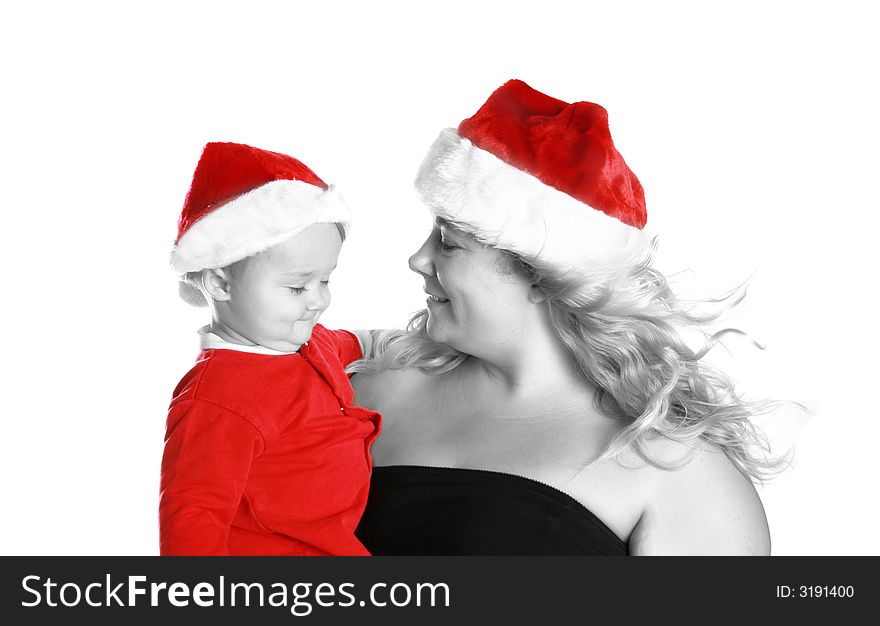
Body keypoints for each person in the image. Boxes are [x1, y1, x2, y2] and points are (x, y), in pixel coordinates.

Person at [352, 79, 781, 555]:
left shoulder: (672, 469)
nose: (418, 259)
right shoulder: (365, 392)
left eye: (450, 243)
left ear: (542, 274)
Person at [160, 142, 380, 556]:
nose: (318, 301)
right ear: (221, 284)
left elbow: (364, 343)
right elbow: (192, 522)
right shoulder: (217, 398)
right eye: (298, 287)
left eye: (326, 281)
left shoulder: (312, 342)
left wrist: (424, 343)